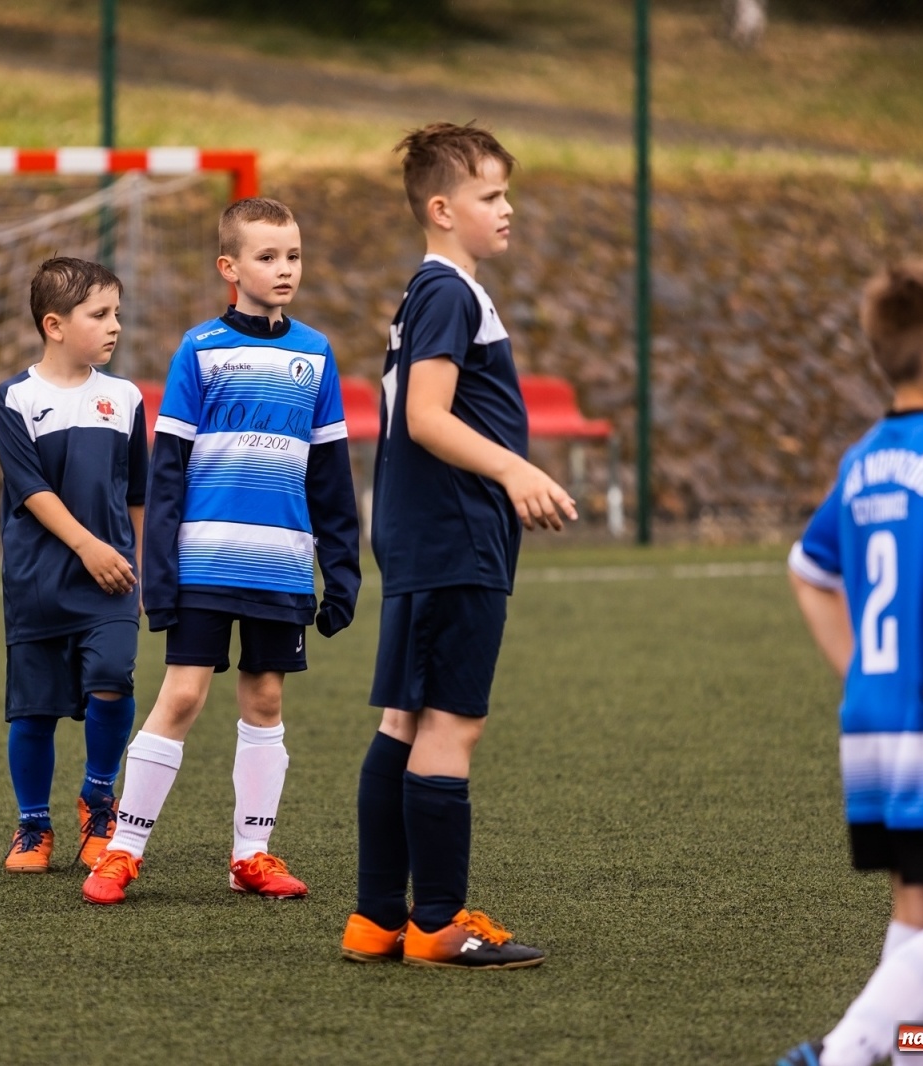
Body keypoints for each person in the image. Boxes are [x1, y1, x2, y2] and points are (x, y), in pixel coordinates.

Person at [341, 122, 577, 970]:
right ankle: (439, 924)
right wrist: (516, 472)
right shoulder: (448, 292)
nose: (508, 209)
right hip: (452, 535)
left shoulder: (431, 291)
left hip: (421, 533)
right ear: (442, 209)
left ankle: (376, 920)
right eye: (491, 196)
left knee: (403, 719)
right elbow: (426, 418)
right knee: (450, 724)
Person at [81, 196, 361, 906]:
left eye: (293, 255)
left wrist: (343, 571)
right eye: (267, 257)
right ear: (229, 267)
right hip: (205, 561)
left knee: (265, 700)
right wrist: (161, 574)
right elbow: (167, 469)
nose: (284, 268)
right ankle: (122, 851)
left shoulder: (316, 354)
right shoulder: (200, 349)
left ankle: (252, 855)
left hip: (282, 566)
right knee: (181, 696)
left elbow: (330, 477)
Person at [780, 261, 923, 1066]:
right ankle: (843, 1052)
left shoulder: (862, 457)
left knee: (918, 912)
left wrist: (857, 668)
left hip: (871, 720)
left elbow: (808, 571)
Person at [0, 257, 146, 874]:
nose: (115, 326)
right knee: (33, 709)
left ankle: (99, 799)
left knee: (113, 677)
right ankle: (33, 826)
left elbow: (138, 493)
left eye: (117, 313)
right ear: (54, 325)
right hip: (38, 582)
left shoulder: (126, 397)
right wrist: (88, 546)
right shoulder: (16, 399)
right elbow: (31, 491)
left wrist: (140, 567)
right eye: (100, 314)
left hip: (113, 580)